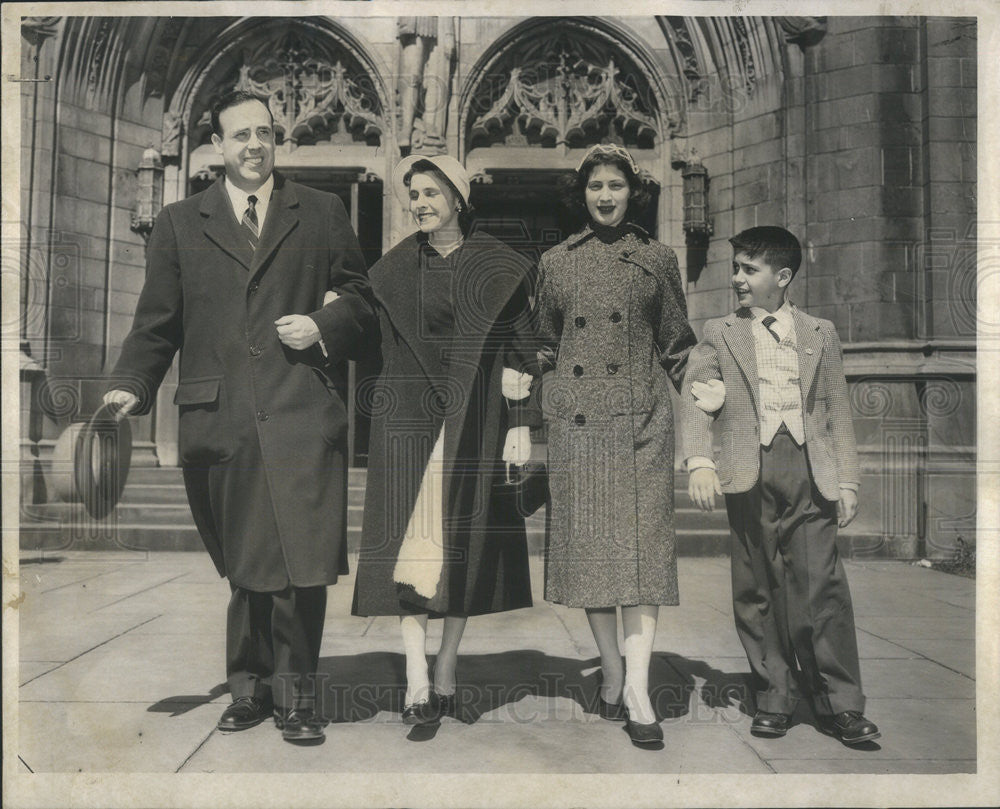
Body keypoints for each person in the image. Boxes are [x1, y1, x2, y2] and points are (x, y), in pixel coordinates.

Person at [104, 91, 376, 743]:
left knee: (300, 560)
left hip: (301, 410)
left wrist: (322, 323)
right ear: (216, 148)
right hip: (218, 416)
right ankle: (249, 686)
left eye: (263, 133)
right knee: (249, 563)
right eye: (239, 136)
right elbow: (156, 324)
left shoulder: (322, 212)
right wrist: (127, 388)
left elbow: (365, 302)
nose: (253, 145)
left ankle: (298, 695)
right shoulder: (177, 223)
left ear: (276, 139)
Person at [351, 154, 540, 725]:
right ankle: (414, 679)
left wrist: (523, 421)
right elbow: (363, 333)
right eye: (414, 194)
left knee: (463, 552)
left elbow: (528, 351)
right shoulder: (389, 270)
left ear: (459, 199)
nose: (421, 203)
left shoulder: (502, 267)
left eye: (432, 193)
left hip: (475, 427)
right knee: (408, 552)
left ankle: (447, 668)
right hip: (407, 425)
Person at [681, 225, 880, 745]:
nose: (738, 279)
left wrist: (849, 480)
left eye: (750, 269)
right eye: (737, 268)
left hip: (811, 472)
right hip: (750, 471)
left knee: (820, 587)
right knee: (756, 586)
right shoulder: (720, 331)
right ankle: (773, 694)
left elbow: (836, 411)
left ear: (782, 276)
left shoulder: (820, 333)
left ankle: (839, 701)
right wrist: (700, 461)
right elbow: (697, 399)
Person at [534, 143, 702, 747]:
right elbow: (545, 347)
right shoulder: (556, 262)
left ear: (635, 192)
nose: (605, 196)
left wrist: (703, 383)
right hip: (579, 430)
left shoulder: (656, 258)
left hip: (641, 427)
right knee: (590, 562)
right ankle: (611, 670)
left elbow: (678, 343)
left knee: (641, 559)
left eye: (616, 186)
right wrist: (536, 402)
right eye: (595, 186)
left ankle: (637, 687)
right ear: (582, 195)